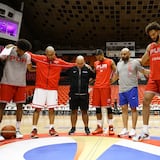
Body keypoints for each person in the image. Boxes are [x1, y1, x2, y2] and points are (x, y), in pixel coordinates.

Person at [29, 46, 75, 138]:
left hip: (52, 89)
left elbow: (70, 65)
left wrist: (83, 64)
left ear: (55, 53)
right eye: (49, 55)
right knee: (37, 109)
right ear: (46, 54)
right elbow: (28, 53)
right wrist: (14, 46)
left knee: (52, 109)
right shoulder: (40, 58)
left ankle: (52, 128)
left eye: (52, 54)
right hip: (40, 88)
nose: (51, 56)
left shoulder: (59, 62)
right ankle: (34, 129)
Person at [0, 39, 35, 141]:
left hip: (21, 84)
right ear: (17, 47)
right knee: (2, 106)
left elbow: (30, 68)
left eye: (24, 51)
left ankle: (18, 130)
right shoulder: (9, 50)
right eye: (21, 51)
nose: (23, 53)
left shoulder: (27, 56)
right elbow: (1, 58)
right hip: (7, 82)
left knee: (20, 106)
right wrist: (8, 48)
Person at [111, 48, 149, 138]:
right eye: (122, 54)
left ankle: (133, 129)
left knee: (133, 109)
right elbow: (116, 76)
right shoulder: (119, 64)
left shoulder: (135, 62)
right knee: (123, 109)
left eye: (125, 54)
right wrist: (108, 82)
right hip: (121, 90)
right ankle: (125, 128)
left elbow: (143, 70)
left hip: (132, 88)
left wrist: (151, 73)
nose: (123, 56)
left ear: (129, 54)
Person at [133, 21, 160, 141]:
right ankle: (145, 130)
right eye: (151, 35)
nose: (153, 37)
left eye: (154, 34)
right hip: (153, 79)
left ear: (159, 31)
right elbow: (143, 61)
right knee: (145, 101)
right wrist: (132, 62)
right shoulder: (150, 47)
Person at [63, 55, 95, 135]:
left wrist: (90, 82)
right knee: (73, 111)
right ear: (76, 62)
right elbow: (62, 73)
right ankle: (73, 128)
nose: (80, 65)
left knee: (85, 111)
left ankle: (86, 128)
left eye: (81, 63)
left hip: (84, 94)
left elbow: (95, 76)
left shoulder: (87, 70)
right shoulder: (71, 69)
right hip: (73, 94)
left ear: (84, 62)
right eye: (78, 63)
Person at [92, 49, 117, 135]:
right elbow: (94, 75)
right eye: (97, 56)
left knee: (108, 107)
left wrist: (112, 80)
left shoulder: (110, 61)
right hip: (96, 87)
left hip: (105, 87)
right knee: (97, 108)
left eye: (100, 55)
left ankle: (110, 126)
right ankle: (99, 127)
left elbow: (117, 71)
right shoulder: (95, 63)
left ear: (103, 54)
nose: (98, 57)